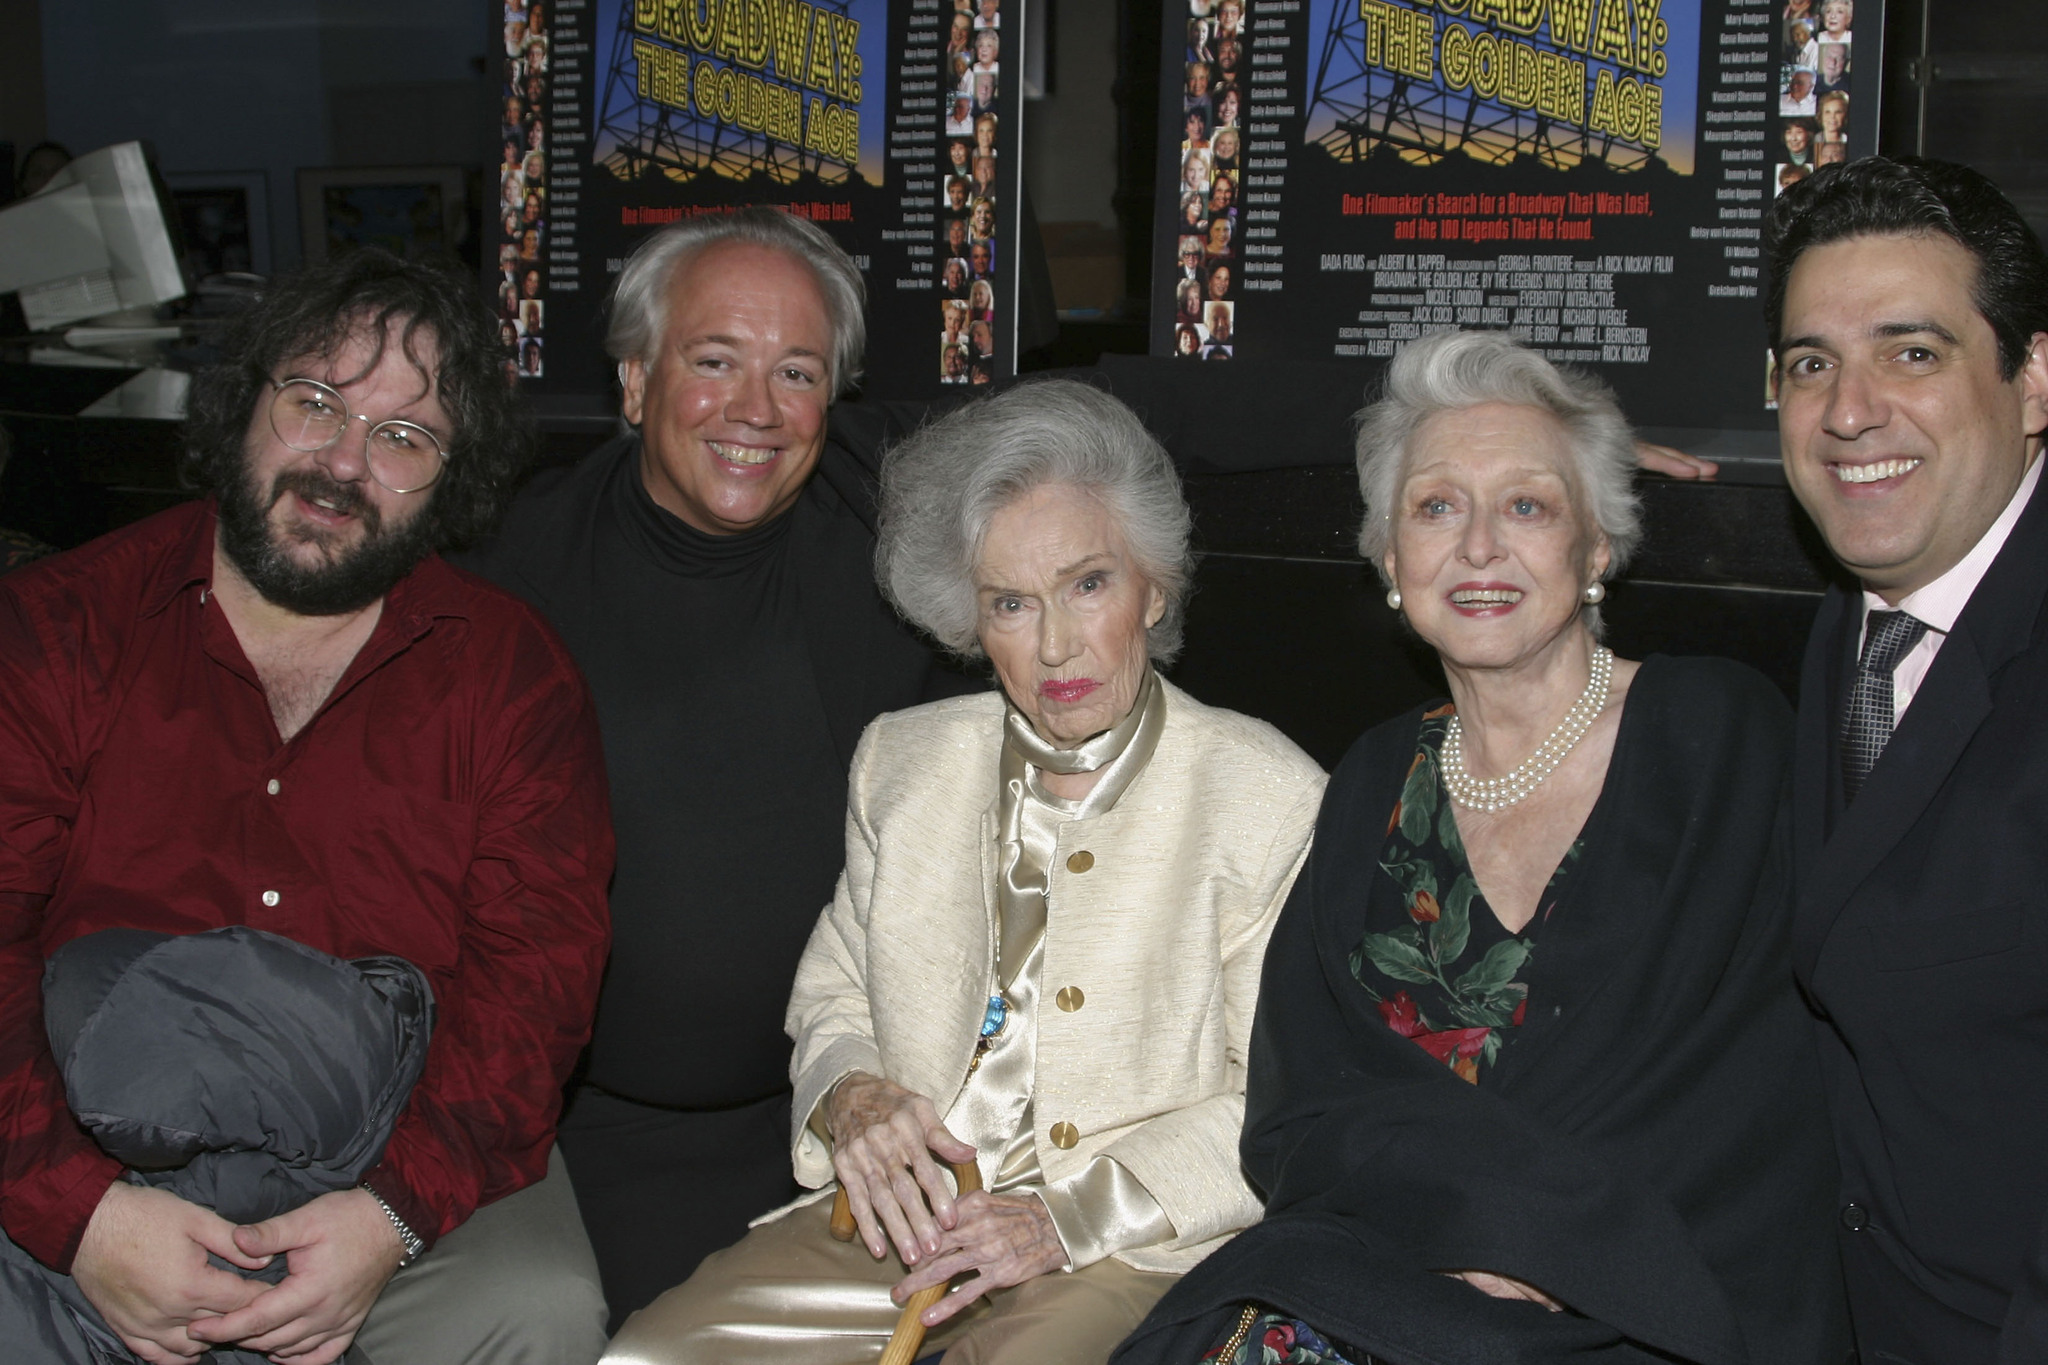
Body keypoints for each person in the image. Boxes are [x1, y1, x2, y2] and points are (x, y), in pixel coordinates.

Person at [1114, 331, 1847, 1365]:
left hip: (1654, 1292)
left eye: (1527, 506)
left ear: (1595, 549)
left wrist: (1531, 1237)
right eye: (1435, 506)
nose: (1476, 547)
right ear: (1386, 558)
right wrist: (1441, 1227)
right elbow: (1303, 1107)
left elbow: (1754, 1082)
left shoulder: (1716, 732)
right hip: (1395, 1269)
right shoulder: (1373, 779)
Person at [605, 378, 1325, 1365]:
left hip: (1116, 1243)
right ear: (968, 620)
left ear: (1151, 587)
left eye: (1088, 584)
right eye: (1011, 604)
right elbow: (834, 987)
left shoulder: (1267, 794)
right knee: (648, 1357)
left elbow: (1288, 1099)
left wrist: (1067, 1219)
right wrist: (851, 1097)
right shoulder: (903, 762)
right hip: (896, 1224)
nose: (1055, 645)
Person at [0, 248, 613, 1364]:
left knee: (545, 1305)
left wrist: (392, 1212)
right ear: (242, 405)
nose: (343, 462)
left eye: (404, 437)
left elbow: (536, 986)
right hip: (82, 1141)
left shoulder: (512, 675)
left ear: (453, 481)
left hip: (398, 1145)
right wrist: (78, 1213)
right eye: (316, 403)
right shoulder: (55, 629)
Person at [456, 208, 967, 1331]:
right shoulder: (506, 578)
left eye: (794, 372)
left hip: (848, 1128)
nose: (754, 410)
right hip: (578, 1146)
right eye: (714, 361)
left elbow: (1113, 441)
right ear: (634, 382)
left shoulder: (894, 549)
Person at [1765, 156, 2048, 1363]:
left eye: (1912, 352)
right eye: (1808, 364)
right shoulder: (1852, 619)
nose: (1847, 409)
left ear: (2031, 380)